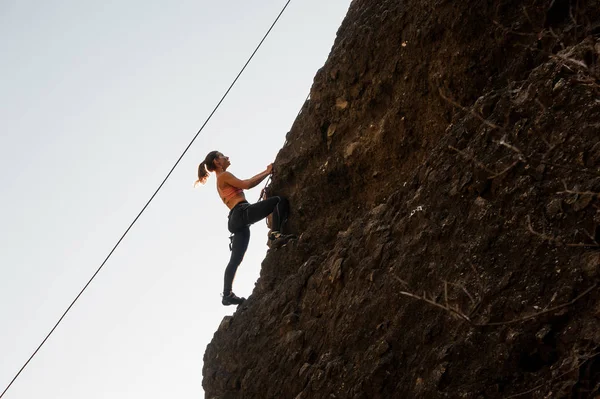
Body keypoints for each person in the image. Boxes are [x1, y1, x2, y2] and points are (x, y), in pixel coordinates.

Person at [195, 151, 292, 306]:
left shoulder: (220, 180)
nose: (226, 157)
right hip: (240, 213)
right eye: (222, 156)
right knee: (279, 201)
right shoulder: (224, 176)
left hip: (236, 219)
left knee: (236, 259)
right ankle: (275, 234)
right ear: (217, 162)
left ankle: (227, 295)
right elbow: (246, 184)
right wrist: (267, 172)